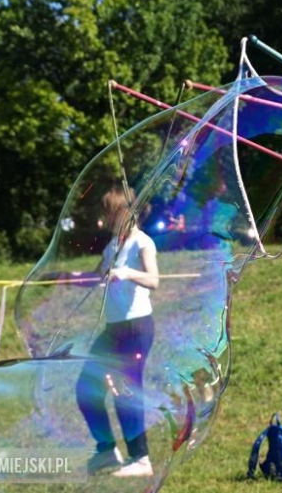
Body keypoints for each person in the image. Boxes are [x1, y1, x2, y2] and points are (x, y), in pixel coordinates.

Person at [76, 185, 159, 477]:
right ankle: (107, 450)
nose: (107, 219)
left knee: (125, 392)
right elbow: (95, 276)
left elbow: (154, 280)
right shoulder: (113, 245)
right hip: (113, 330)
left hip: (136, 328)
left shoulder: (142, 243)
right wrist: (63, 277)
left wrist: (127, 273)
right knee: (86, 388)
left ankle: (141, 459)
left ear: (126, 212)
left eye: (111, 213)